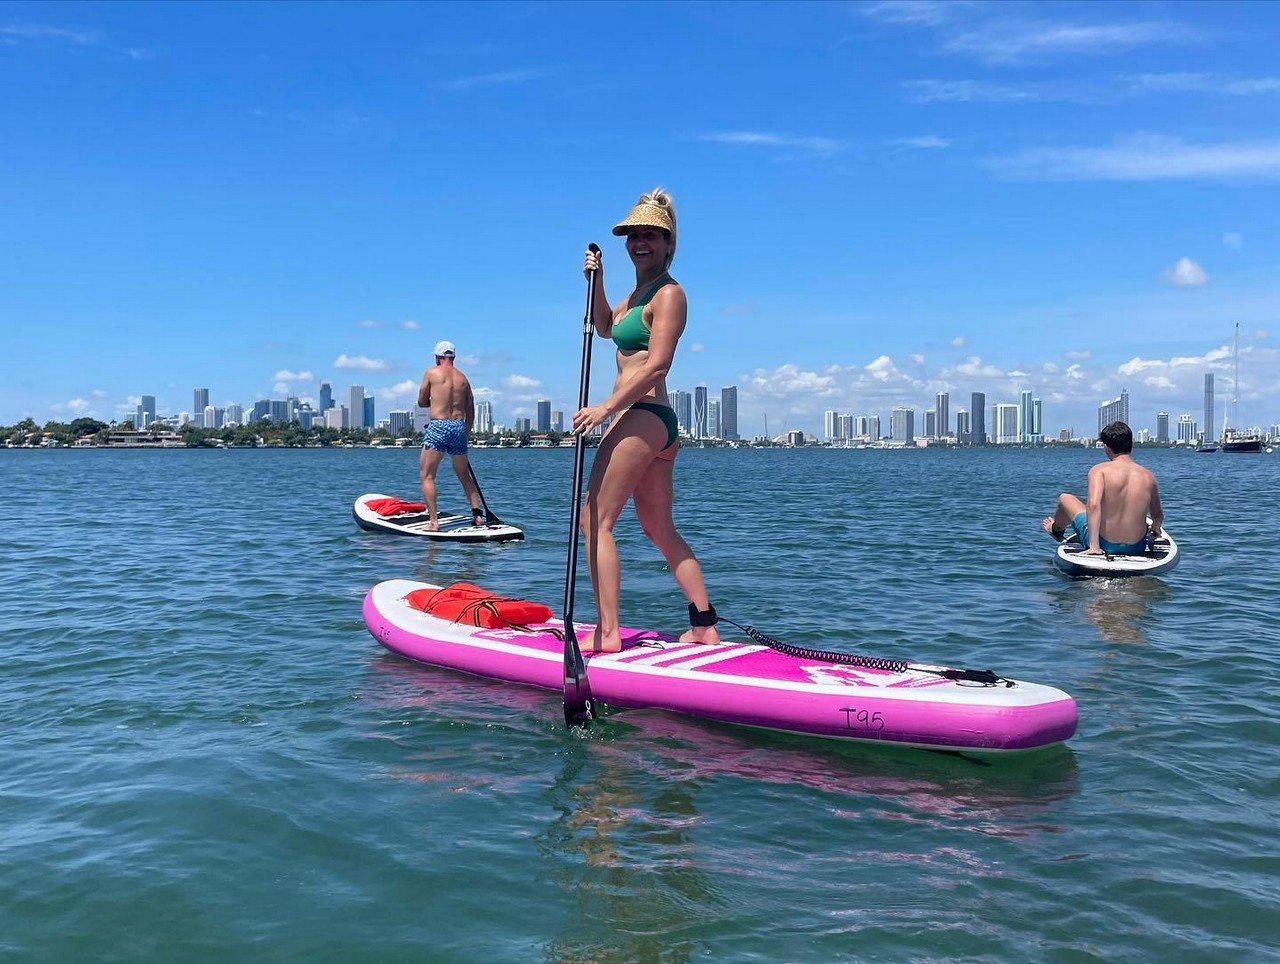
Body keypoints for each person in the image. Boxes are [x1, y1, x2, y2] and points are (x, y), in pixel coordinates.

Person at [571, 187, 719, 653]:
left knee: (594, 521)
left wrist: (605, 408)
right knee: (659, 529)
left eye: (651, 236)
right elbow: (604, 327)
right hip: (652, 421)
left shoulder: (670, 294)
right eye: (634, 235)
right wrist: (596, 281)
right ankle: (704, 626)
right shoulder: (637, 294)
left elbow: (657, 365)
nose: (641, 242)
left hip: (642, 414)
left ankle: (609, 633)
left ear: (669, 243)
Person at [1043, 420, 1164, 555]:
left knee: (1065, 498)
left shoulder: (1099, 471)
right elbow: (1157, 515)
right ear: (1131, 444)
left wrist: (1094, 547)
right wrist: (1155, 529)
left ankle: (1056, 530)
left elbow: (1094, 505)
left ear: (1107, 447)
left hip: (1105, 544)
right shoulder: (1148, 476)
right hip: (1136, 547)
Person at [418, 340, 483, 531]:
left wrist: (435, 398)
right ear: (453, 357)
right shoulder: (464, 379)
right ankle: (477, 516)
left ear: (438, 357)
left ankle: (433, 522)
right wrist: (466, 433)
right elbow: (471, 412)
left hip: (438, 425)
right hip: (458, 427)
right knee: (464, 474)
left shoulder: (432, 372)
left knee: (427, 476)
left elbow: (422, 402)